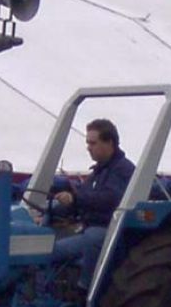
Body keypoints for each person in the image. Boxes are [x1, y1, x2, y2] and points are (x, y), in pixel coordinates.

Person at [50, 118, 135, 290]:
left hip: (111, 231)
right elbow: (84, 196)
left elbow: (110, 199)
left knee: (93, 237)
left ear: (109, 143)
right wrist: (59, 206)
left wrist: (75, 199)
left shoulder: (123, 170)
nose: (88, 147)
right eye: (87, 143)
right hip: (89, 227)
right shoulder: (98, 172)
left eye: (93, 143)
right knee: (51, 246)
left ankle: (86, 289)